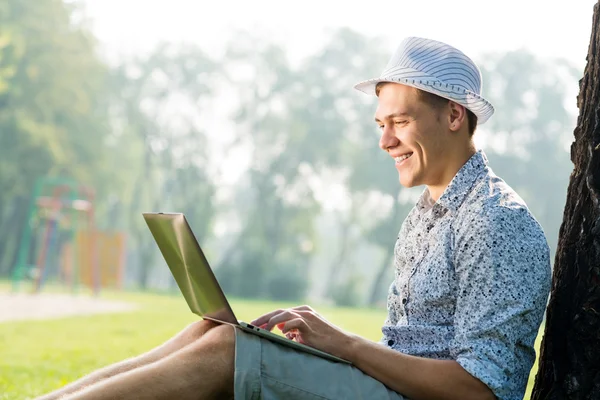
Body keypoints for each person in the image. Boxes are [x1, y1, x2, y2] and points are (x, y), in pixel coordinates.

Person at [37, 37, 551, 400]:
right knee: (210, 332)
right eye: (380, 123)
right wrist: (329, 341)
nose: (384, 141)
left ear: (454, 116)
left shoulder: (495, 222)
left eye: (400, 121)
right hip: (384, 389)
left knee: (228, 351)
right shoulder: (431, 213)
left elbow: (482, 391)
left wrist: (344, 344)